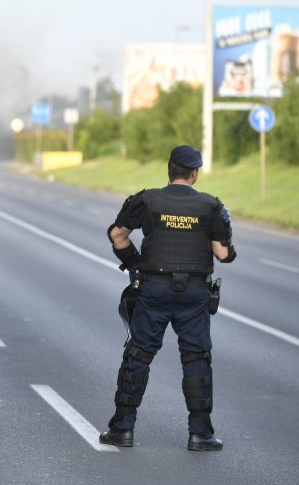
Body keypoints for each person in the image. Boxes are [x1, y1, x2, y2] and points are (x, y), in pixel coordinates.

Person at [99, 145, 237, 451]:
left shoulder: (147, 199)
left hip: (154, 289)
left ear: (169, 170)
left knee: (138, 355)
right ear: (194, 173)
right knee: (196, 358)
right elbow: (223, 253)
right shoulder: (211, 206)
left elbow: (117, 236)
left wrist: (135, 264)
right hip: (193, 293)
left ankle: (122, 429)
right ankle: (200, 434)